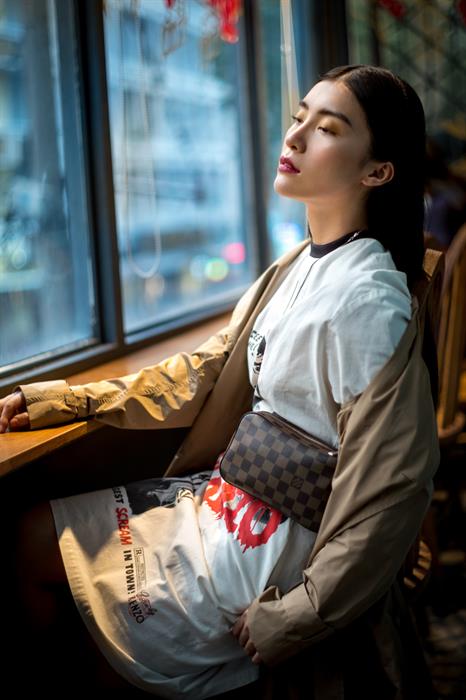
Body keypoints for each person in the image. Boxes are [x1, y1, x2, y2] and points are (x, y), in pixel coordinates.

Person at [0, 64, 437, 698]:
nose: (294, 137)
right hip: (228, 500)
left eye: (327, 128)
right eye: (299, 118)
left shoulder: (368, 300)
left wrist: (299, 615)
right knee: (32, 538)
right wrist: (70, 399)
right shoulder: (299, 263)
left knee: (54, 575)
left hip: (273, 545)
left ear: (377, 171)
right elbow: (208, 368)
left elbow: (395, 485)